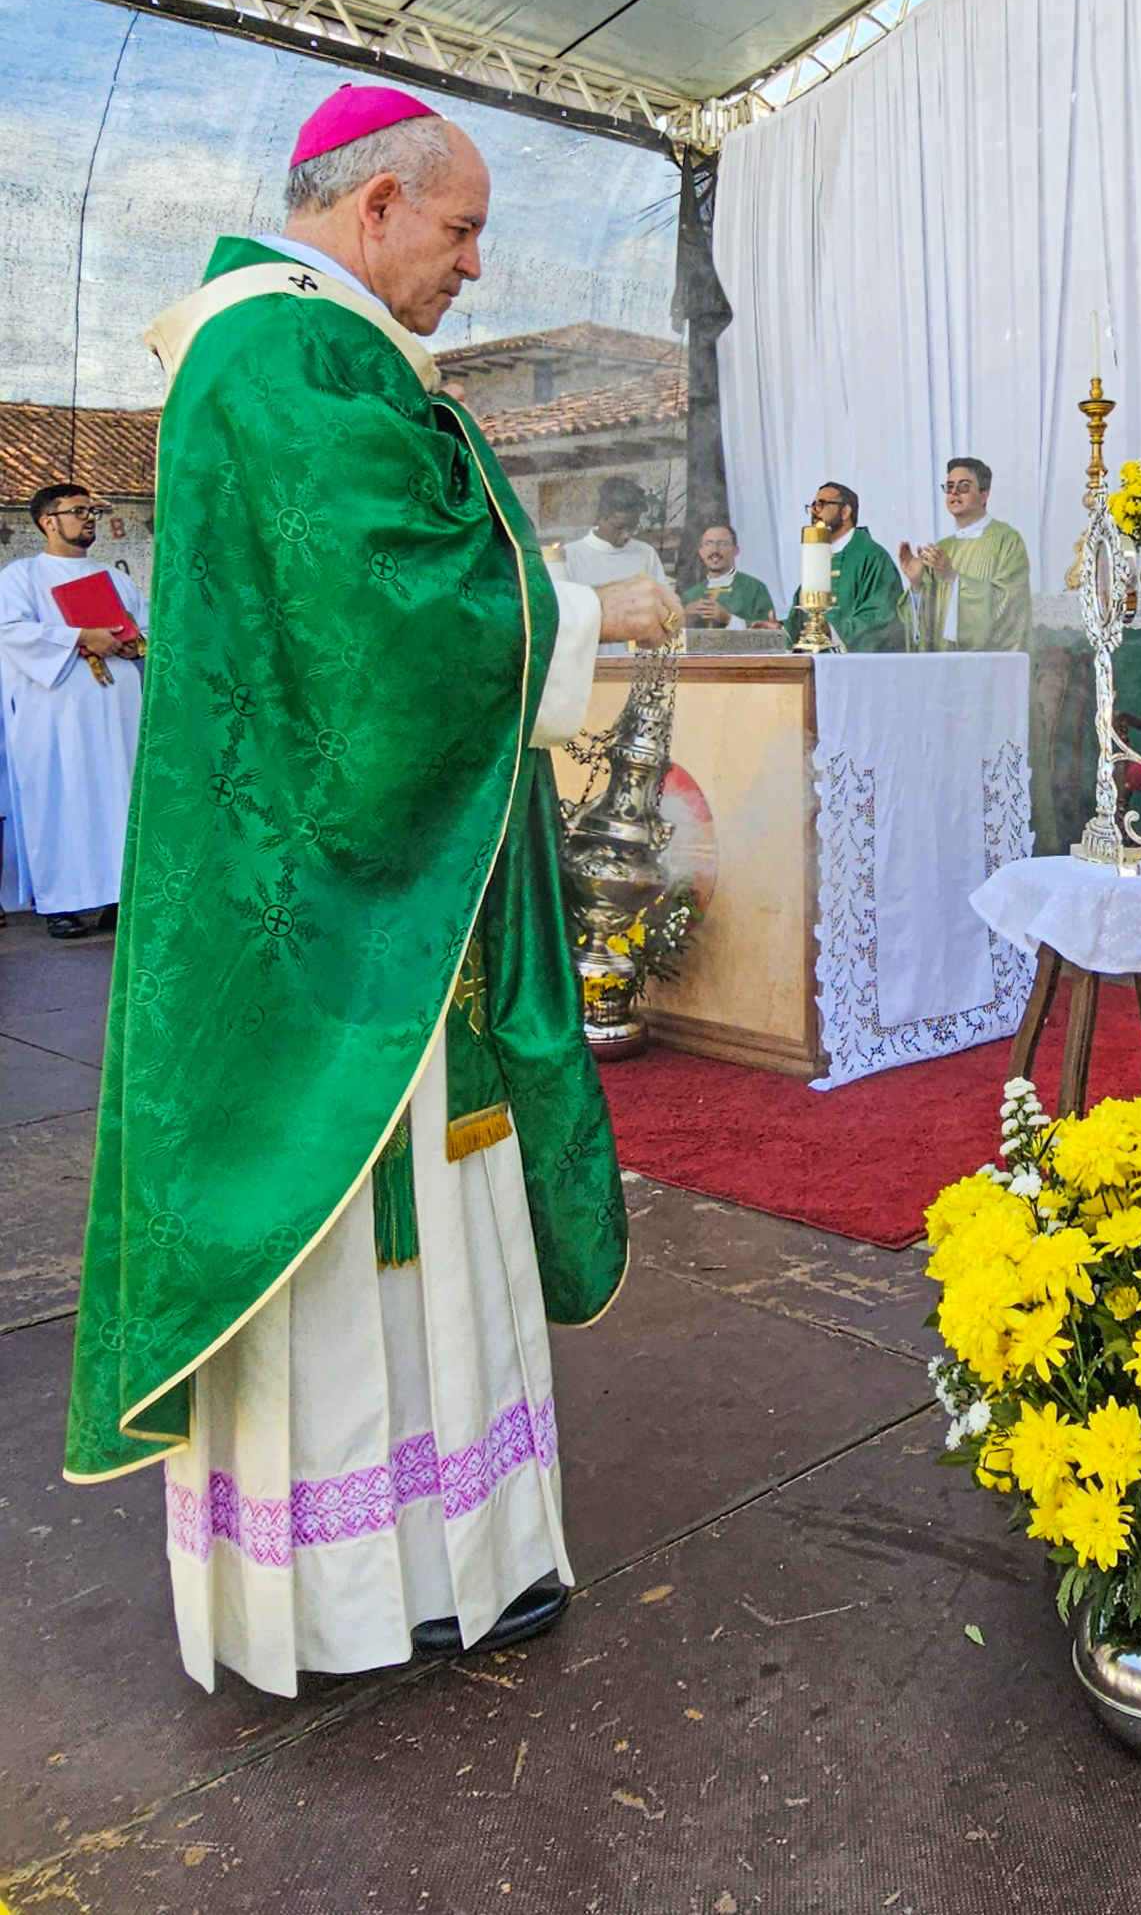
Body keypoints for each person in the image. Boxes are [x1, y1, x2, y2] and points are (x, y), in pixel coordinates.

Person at [64, 82, 680, 1696]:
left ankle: (438, 1564)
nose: (474, 266)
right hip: (344, 908)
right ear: (377, 203)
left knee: (415, 1234)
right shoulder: (286, 348)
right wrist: (592, 610)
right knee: (363, 1238)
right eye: (460, 229)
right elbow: (384, 617)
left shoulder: (309, 349)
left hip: (368, 870)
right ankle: (372, 1588)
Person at [0, 484, 146, 939]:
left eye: (92, 512)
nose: (88, 518)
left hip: (117, 713)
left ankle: (118, 898)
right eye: (78, 511)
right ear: (48, 521)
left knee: (118, 798)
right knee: (61, 799)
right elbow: (11, 630)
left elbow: (146, 629)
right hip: (55, 716)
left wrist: (134, 644)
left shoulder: (115, 579)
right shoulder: (20, 576)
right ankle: (61, 903)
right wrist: (82, 637)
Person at [898, 457, 1032, 652]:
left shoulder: (1007, 540)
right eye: (950, 486)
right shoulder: (942, 547)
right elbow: (924, 630)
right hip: (944, 663)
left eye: (964, 486)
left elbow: (1011, 607)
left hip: (986, 662)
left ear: (984, 495)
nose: (954, 492)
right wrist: (917, 585)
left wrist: (953, 578)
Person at [785, 481, 904, 652]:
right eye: (813, 505)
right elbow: (798, 621)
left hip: (853, 664)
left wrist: (833, 631)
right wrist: (777, 632)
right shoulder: (818, 557)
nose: (814, 510)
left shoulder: (872, 557)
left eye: (822, 504)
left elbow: (883, 617)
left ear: (845, 512)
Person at [564, 477, 668, 656]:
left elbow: (664, 609)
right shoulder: (571, 556)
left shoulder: (646, 554)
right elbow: (565, 619)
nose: (626, 535)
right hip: (589, 660)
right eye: (619, 527)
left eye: (632, 528)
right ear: (601, 517)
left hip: (637, 662)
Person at [681, 520, 778, 629]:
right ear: (701, 552)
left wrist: (729, 619)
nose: (714, 550)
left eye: (722, 544)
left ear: (736, 551)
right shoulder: (689, 596)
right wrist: (683, 617)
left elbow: (771, 632)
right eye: (708, 544)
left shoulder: (755, 590)